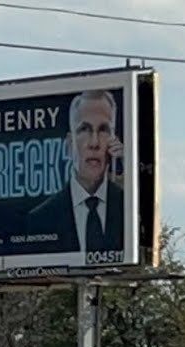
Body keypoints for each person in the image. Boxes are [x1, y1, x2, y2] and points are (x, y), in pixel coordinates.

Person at [24, 89, 125, 257]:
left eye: (103, 130)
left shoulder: (128, 209)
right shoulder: (40, 219)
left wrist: (129, 165)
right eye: (84, 130)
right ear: (70, 144)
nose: (94, 143)